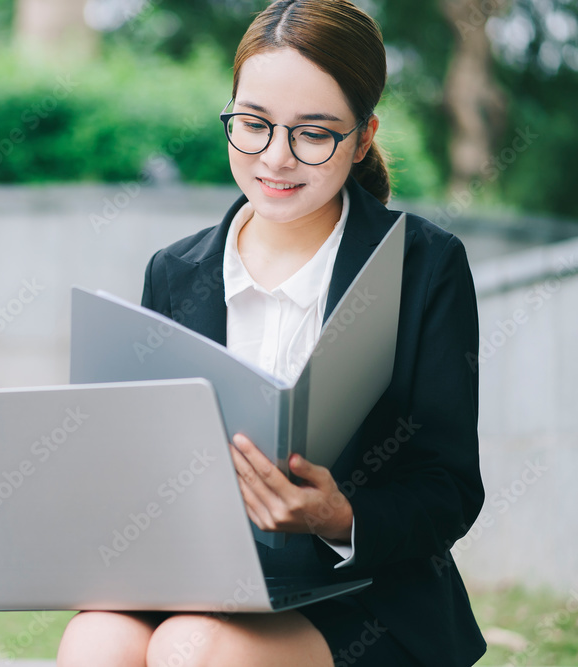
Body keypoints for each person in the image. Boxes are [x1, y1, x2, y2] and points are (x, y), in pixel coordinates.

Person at [56, 0, 487, 665]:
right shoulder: (175, 272)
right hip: (198, 579)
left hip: (364, 593)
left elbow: (450, 486)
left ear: (363, 137)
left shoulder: (424, 266)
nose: (276, 158)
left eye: (313, 134)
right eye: (253, 124)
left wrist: (339, 516)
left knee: (189, 649)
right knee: (95, 641)